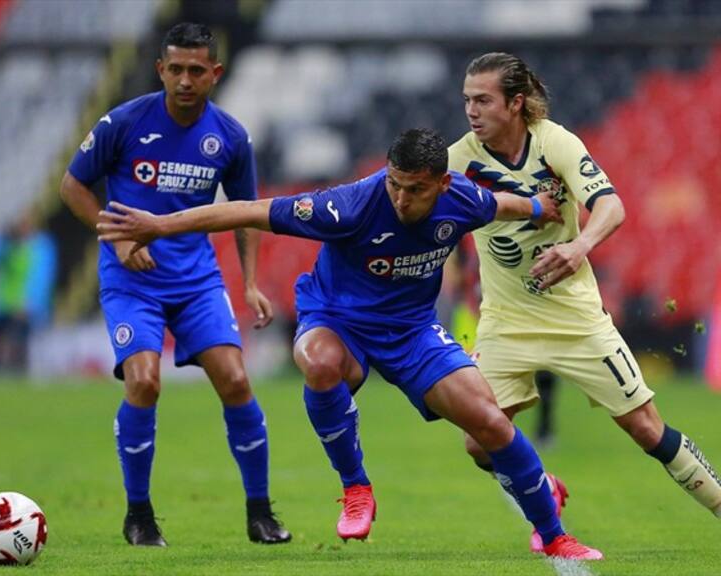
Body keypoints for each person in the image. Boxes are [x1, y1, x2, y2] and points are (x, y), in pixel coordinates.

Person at [97, 127, 604, 560]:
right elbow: (248, 211)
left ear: (442, 184)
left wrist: (539, 206)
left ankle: (555, 536)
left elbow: (502, 204)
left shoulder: (462, 199)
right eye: (396, 185)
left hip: (410, 330)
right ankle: (356, 488)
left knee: (490, 422)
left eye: (416, 190)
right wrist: (159, 225)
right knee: (319, 364)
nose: (402, 199)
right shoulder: (348, 206)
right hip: (337, 320)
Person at [447, 52, 721, 553]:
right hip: (505, 322)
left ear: (516, 103)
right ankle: (542, 487)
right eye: (467, 100)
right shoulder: (459, 160)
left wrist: (579, 246)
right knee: (477, 442)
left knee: (646, 429)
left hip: (576, 319)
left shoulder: (555, 142)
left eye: (483, 100)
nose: (471, 110)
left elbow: (611, 206)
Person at [59, 22, 290, 547]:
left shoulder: (230, 137)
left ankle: (260, 512)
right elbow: (72, 185)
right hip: (131, 280)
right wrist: (116, 239)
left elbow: (248, 212)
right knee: (143, 381)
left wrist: (250, 284)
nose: (185, 80)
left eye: (196, 70)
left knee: (235, 379)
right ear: (161, 69)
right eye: (175, 69)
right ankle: (138, 515)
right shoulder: (124, 122)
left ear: (215, 73)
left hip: (197, 282)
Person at [0, 212, 57, 370]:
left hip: (27, 309)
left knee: (18, 337)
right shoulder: (5, 246)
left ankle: (17, 371)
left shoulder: (41, 247)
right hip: (1, 307)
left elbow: (43, 279)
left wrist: (30, 305)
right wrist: (1, 239)